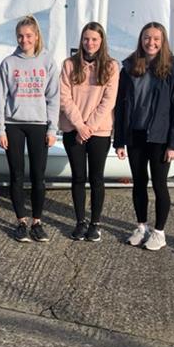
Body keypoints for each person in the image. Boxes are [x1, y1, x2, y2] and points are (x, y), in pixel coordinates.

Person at [114, 22, 174, 252]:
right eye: (147, 38)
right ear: (141, 39)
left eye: (156, 38)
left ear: (162, 41)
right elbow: (121, 105)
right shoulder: (130, 67)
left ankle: (159, 232)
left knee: (160, 185)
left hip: (160, 137)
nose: (151, 42)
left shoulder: (173, 70)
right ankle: (141, 226)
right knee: (139, 184)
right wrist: (119, 140)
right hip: (135, 134)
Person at [0, 15, 59, 243]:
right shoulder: (8, 63)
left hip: (38, 125)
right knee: (16, 175)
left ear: (36, 36)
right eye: (21, 36)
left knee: (38, 177)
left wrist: (52, 130)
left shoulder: (47, 62)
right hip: (14, 125)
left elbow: (53, 98)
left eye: (29, 35)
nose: (25, 40)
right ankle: (21, 221)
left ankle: (37, 222)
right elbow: (1, 98)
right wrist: (0, 129)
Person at [59, 22, 119, 242]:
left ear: (101, 41)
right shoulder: (69, 65)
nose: (90, 43)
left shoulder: (111, 66)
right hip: (73, 129)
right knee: (78, 177)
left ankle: (95, 223)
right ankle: (80, 222)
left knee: (96, 178)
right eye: (86, 39)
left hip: (99, 131)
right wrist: (79, 126)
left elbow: (108, 101)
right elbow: (64, 98)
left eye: (94, 39)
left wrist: (90, 126)